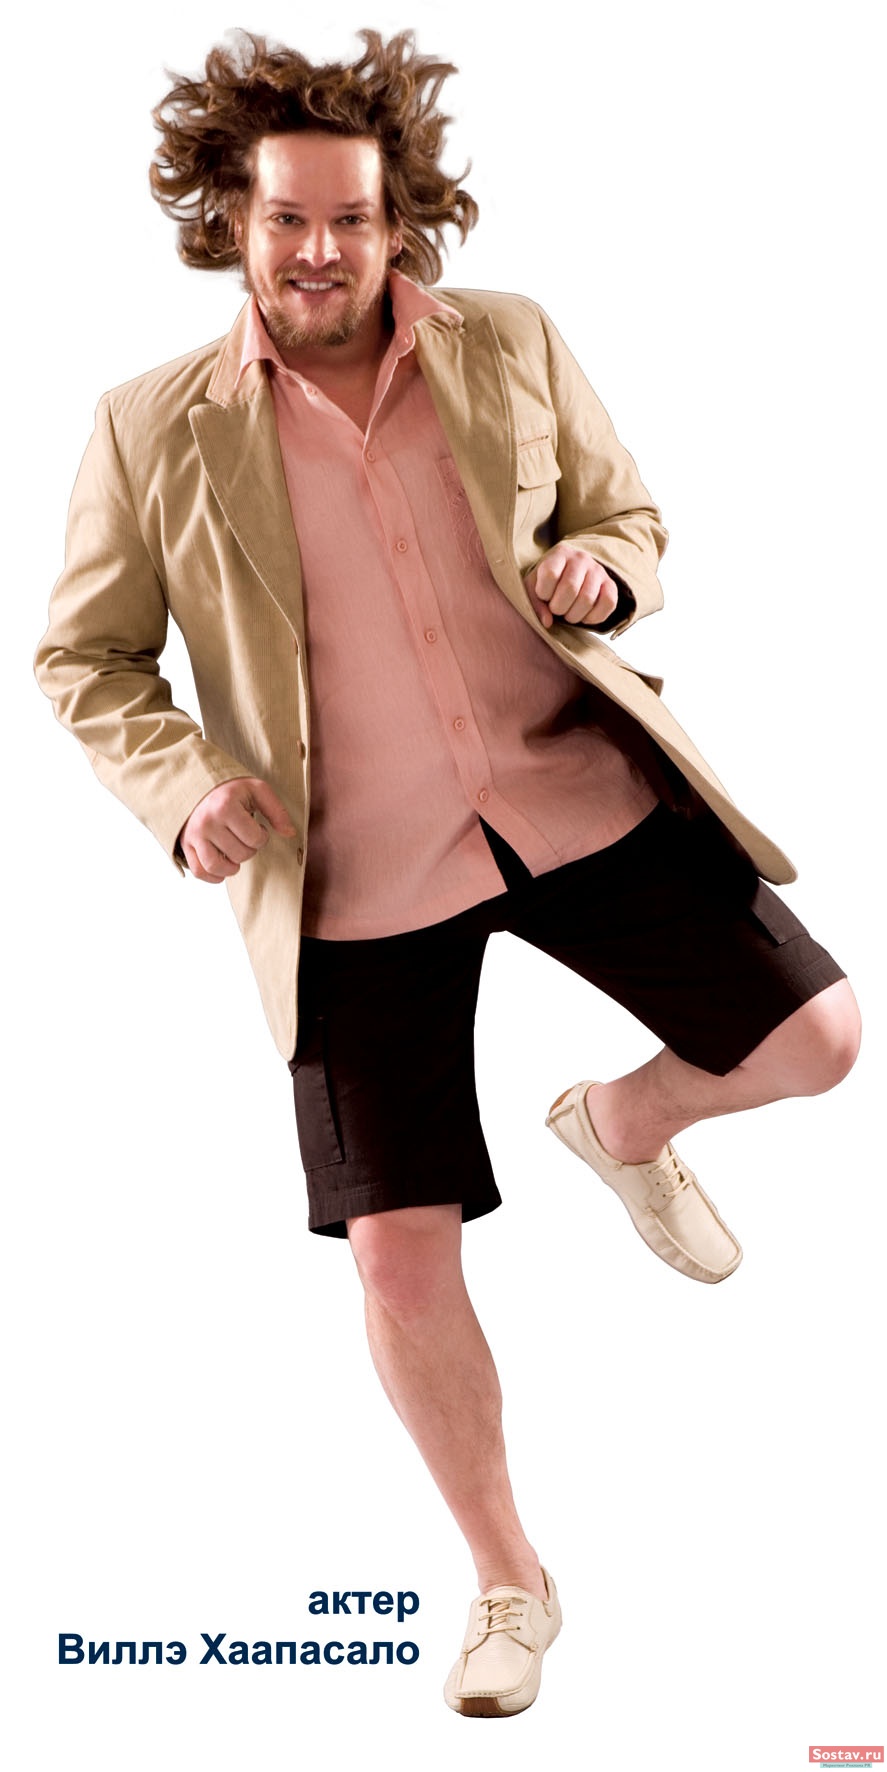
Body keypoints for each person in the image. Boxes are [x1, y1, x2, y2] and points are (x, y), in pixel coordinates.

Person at [35, 28, 860, 1719]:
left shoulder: (515, 340)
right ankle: (507, 1578)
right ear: (233, 218)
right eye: (285, 218)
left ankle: (620, 1127)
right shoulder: (148, 428)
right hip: (347, 874)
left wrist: (601, 572)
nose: (317, 250)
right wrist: (183, 787)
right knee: (398, 1255)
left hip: (567, 793)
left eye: (350, 218)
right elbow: (84, 658)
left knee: (824, 1039)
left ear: (399, 220)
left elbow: (630, 519)